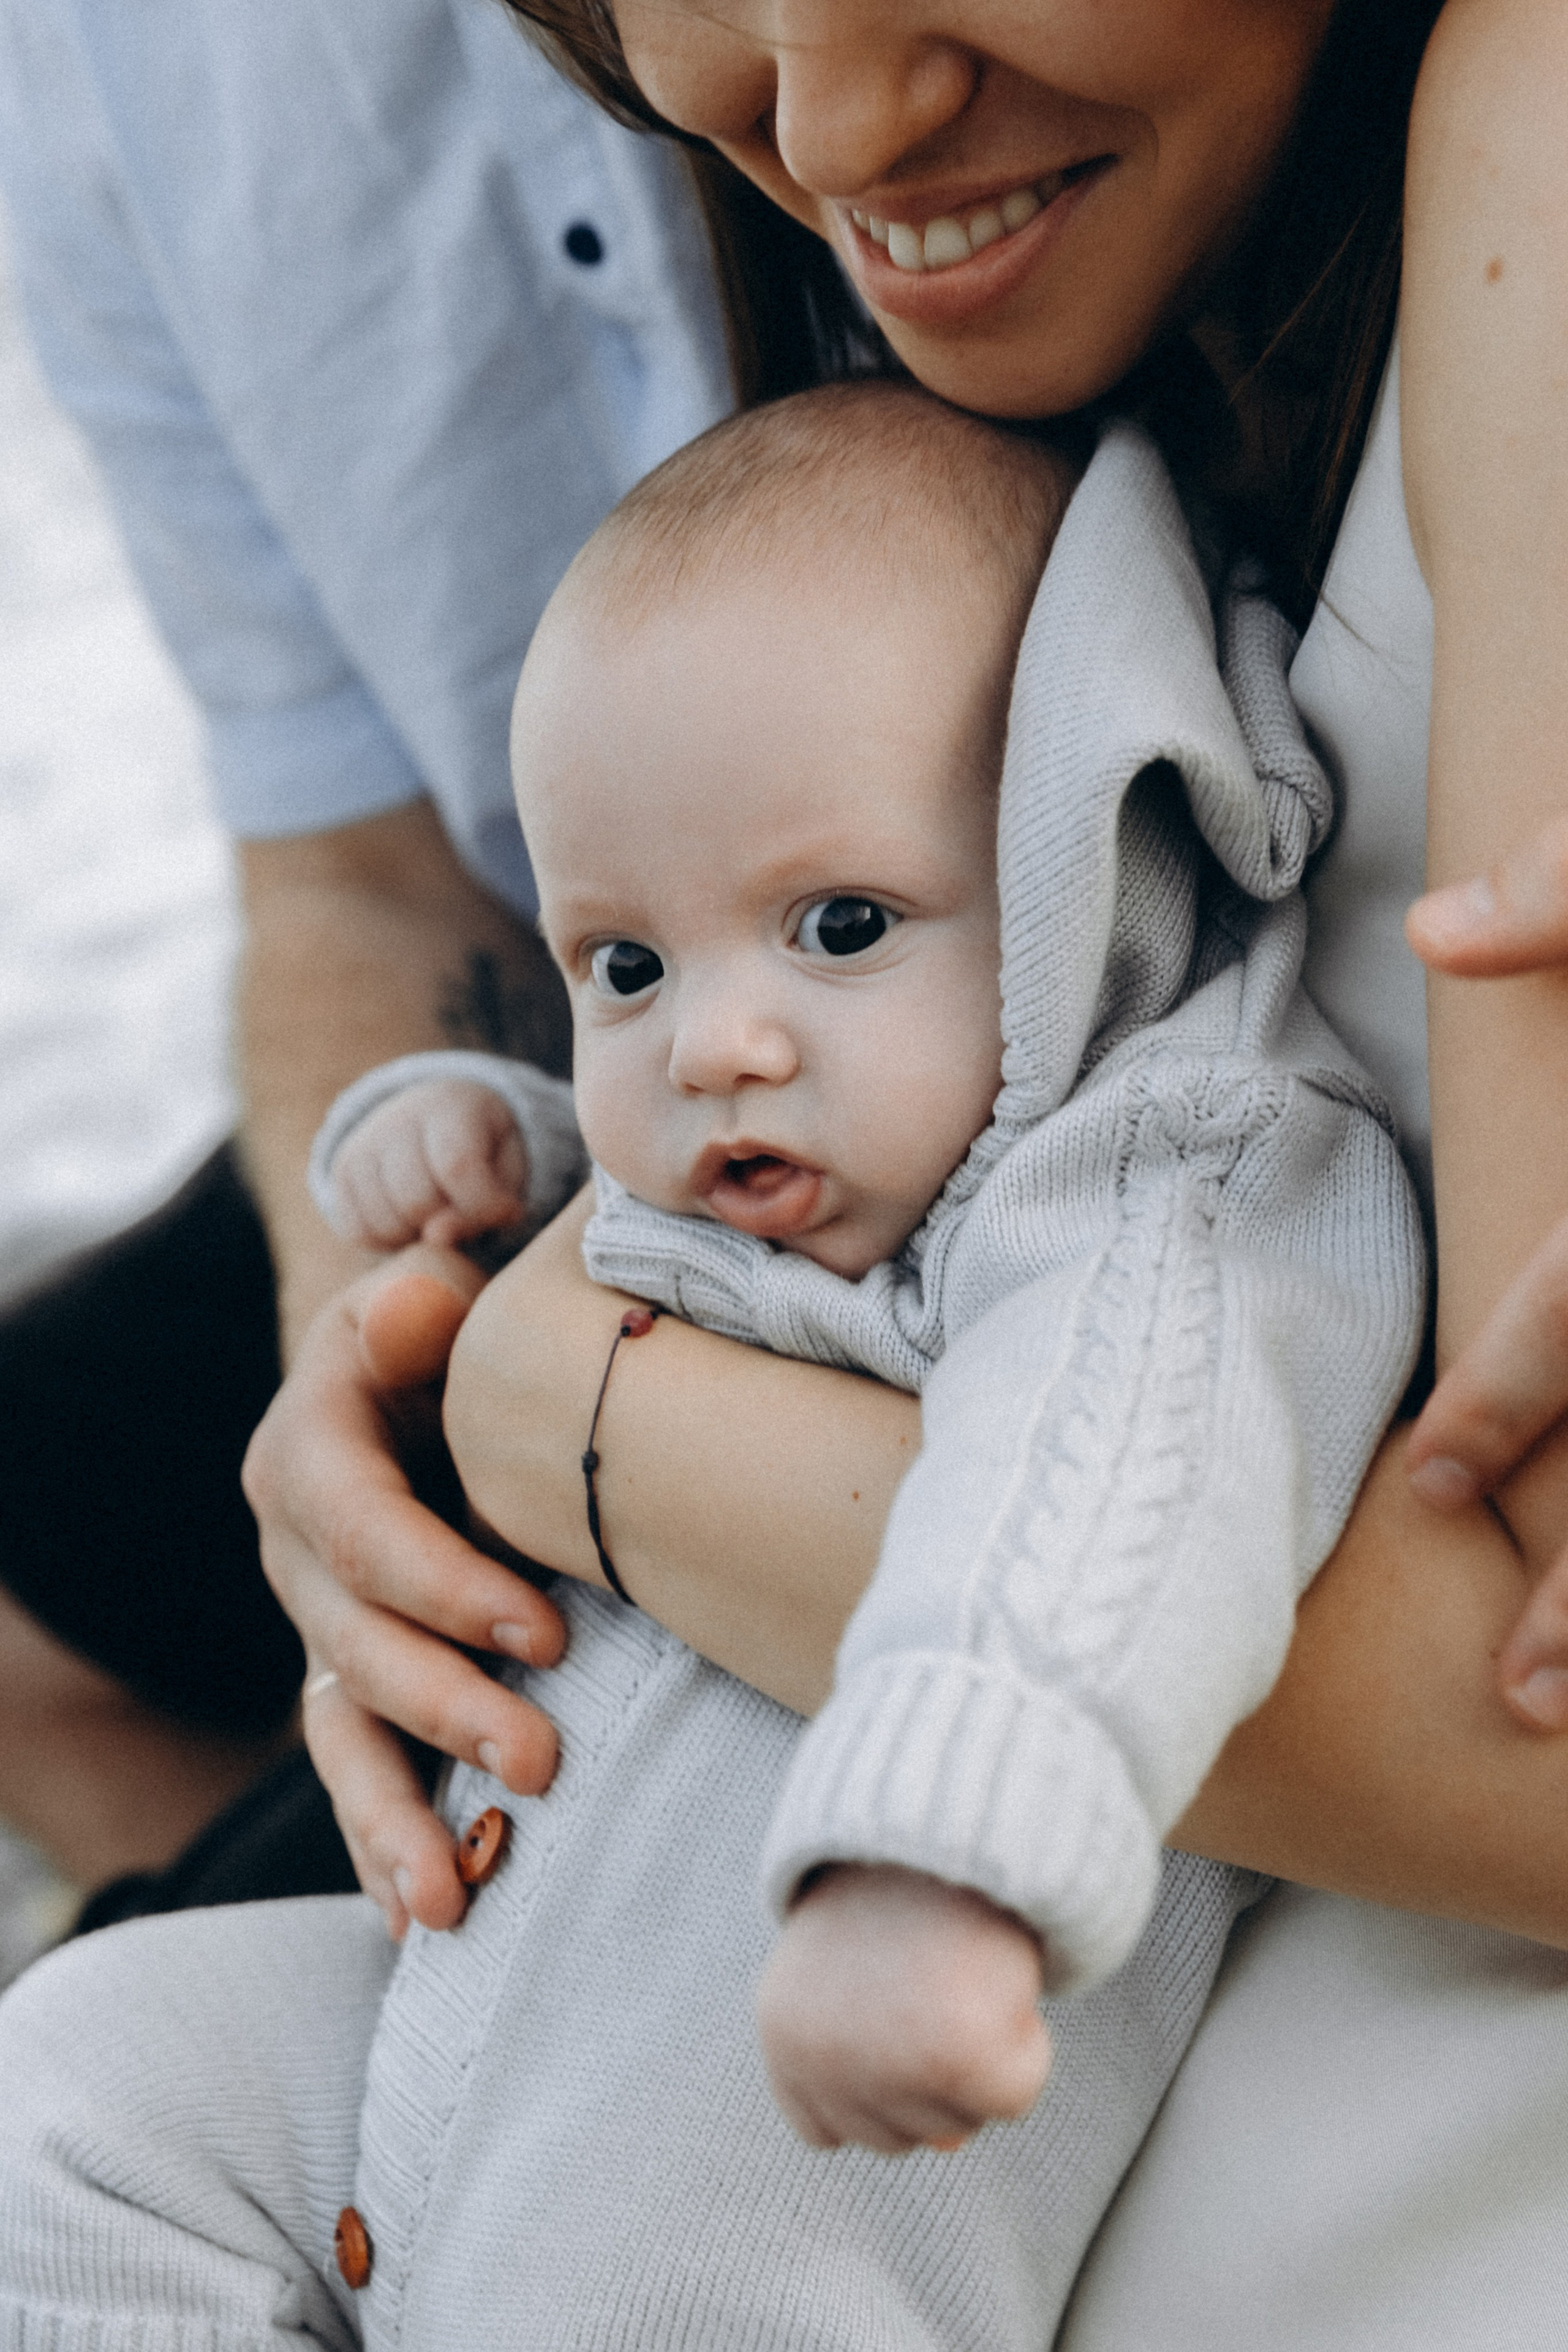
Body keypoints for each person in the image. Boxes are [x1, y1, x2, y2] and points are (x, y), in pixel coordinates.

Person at [0, 374, 1427, 2333]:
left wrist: (941, 1869)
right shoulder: (794, 1145)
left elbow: (1106, 1486)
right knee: (78, 2086)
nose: (715, 1044)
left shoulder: (1164, 1169)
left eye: (840, 923)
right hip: (445, 2037)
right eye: (629, 966)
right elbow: (641, 1167)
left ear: (1081, 851)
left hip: (754, 2164)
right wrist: (488, 1145)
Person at [0, 0, 731, 1899]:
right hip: (578, 1062)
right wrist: (359, 1383)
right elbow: (357, 873)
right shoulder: (86, 63)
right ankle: (391, 2023)